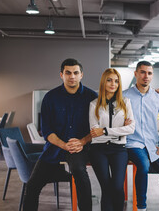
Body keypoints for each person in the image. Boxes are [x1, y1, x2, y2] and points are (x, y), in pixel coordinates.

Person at [24, 58, 97, 211]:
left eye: (76, 73)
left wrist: (82, 142)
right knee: (32, 186)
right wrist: (64, 145)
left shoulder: (92, 97)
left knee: (80, 174)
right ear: (61, 75)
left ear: (81, 75)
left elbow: (97, 128)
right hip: (55, 147)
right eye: (68, 73)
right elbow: (47, 131)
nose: (72, 76)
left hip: (80, 148)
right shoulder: (50, 97)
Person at [123, 61, 159, 211]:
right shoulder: (124, 96)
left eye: (149, 73)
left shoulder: (158, 97)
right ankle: (141, 207)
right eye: (142, 72)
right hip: (133, 143)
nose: (146, 76)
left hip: (152, 146)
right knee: (143, 165)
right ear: (136, 74)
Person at [89, 68, 135, 211]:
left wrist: (105, 130)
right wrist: (120, 130)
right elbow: (94, 132)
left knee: (117, 186)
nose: (113, 84)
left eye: (116, 81)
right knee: (106, 187)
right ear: (104, 82)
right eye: (109, 80)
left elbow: (131, 128)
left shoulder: (125, 102)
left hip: (118, 149)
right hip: (98, 149)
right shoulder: (93, 104)